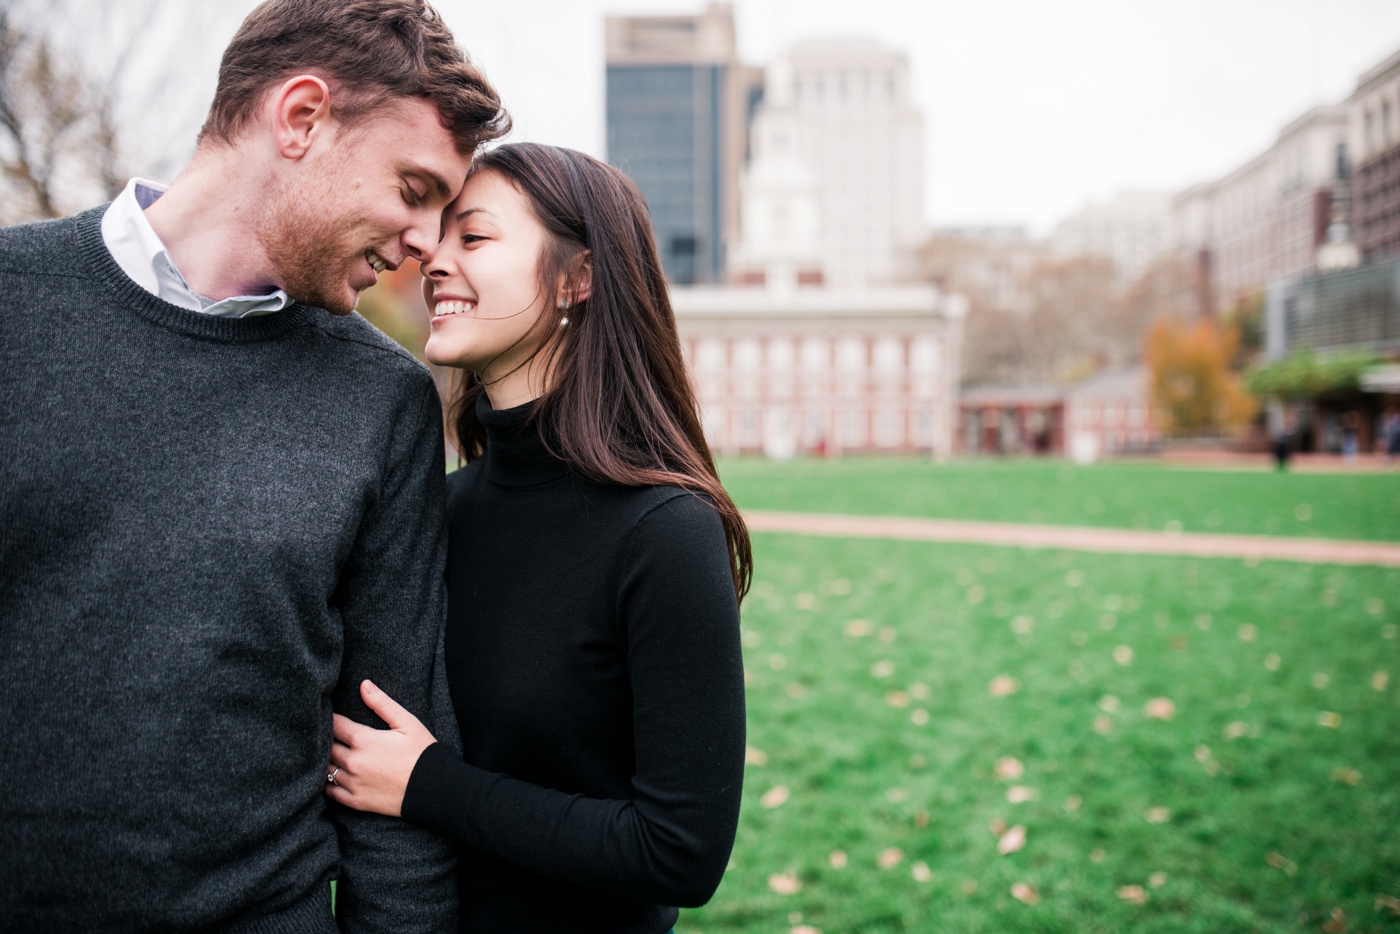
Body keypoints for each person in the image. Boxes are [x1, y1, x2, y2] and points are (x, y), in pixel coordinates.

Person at [0, 1, 508, 931]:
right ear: (303, 117)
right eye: (413, 187)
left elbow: (393, 740)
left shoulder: (383, 401)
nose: (426, 245)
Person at [324, 143, 750, 932]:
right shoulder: (433, 509)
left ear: (576, 277)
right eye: (436, 237)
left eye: (473, 238)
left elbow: (679, 853)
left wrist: (430, 785)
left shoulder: (664, 533)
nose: (431, 260)